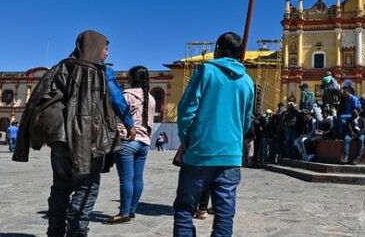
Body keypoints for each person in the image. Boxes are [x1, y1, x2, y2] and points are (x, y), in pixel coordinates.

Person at [13, 30, 135, 237]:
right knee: (86, 187)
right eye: (105, 48)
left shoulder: (60, 68)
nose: (106, 54)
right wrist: (129, 124)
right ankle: (77, 233)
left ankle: (55, 231)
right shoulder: (102, 72)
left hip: (60, 139)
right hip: (91, 139)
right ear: (95, 47)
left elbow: (37, 98)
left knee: (60, 187)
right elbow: (117, 100)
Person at [173, 32, 254, 237]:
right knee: (225, 213)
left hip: (200, 151)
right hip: (231, 155)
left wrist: (187, 139)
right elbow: (246, 121)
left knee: (184, 208)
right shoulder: (247, 81)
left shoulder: (205, 71)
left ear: (218, 49)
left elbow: (186, 110)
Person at [105, 66, 157, 224]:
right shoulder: (151, 98)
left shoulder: (126, 95)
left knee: (126, 179)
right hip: (144, 142)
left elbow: (116, 114)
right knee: (137, 178)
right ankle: (132, 210)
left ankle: (124, 213)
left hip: (127, 140)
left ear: (132, 78)